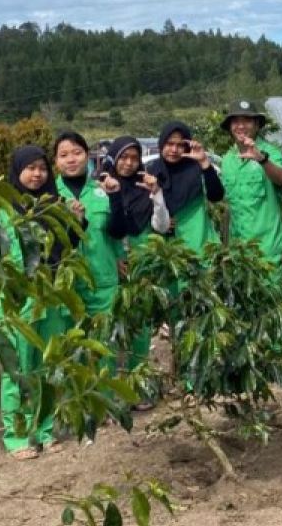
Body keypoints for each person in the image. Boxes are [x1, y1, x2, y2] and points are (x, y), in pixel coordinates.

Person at [0, 145, 80, 459]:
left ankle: (45, 430)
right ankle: (17, 436)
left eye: (42, 168)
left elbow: (68, 245)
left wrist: (75, 220)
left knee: (47, 367)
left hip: (50, 300)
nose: (37, 175)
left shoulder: (55, 204)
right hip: (14, 303)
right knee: (17, 370)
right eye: (30, 168)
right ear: (17, 170)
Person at [100, 135, 170, 385]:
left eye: (134, 158)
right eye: (123, 158)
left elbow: (160, 226)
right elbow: (101, 228)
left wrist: (157, 195)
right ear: (113, 159)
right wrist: (116, 257)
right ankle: (106, 390)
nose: (129, 164)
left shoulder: (146, 187)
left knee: (139, 327)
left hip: (141, 265)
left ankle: (140, 385)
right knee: (107, 329)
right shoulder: (101, 189)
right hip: (110, 265)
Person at [54, 131, 127, 321]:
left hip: (103, 283)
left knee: (105, 346)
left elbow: (115, 234)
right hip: (66, 288)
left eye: (77, 153)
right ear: (55, 161)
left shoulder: (102, 190)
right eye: (64, 155)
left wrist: (121, 259)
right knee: (69, 346)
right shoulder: (50, 196)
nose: (71, 159)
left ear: (87, 155)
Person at [218, 100, 282, 265]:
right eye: (235, 121)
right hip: (237, 250)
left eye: (247, 120)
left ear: (257, 125)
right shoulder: (227, 159)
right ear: (230, 127)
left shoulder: (270, 153)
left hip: (267, 249)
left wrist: (261, 159)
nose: (241, 126)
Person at [145, 122, 224, 254]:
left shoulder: (195, 168)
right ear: (161, 144)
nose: (174, 150)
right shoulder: (152, 171)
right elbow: (144, 206)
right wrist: (159, 220)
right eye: (170, 144)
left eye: (180, 145)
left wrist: (204, 162)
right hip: (167, 248)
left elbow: (216, 196)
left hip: (199, 242)